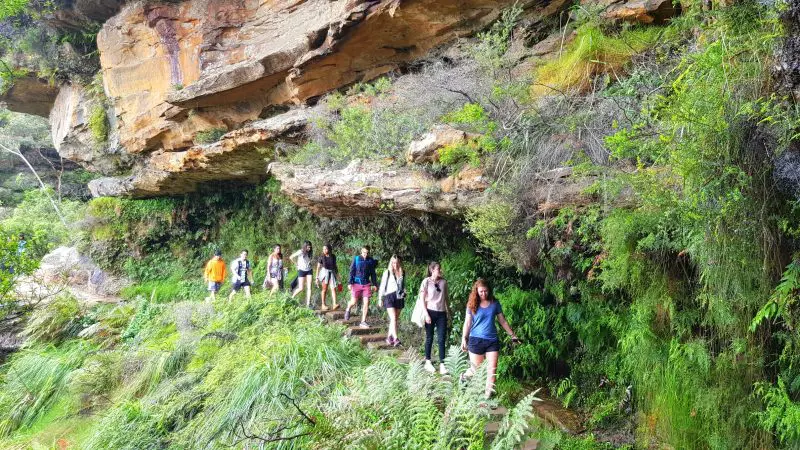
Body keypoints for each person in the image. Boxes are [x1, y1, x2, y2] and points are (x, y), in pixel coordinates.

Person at [460, 278, 520, 399]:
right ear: (476, 291)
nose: (483, 294)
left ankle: (486, 399)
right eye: (481, 291)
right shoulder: (472, 304)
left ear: (489, 290)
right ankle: (464, 377)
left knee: (492, 372)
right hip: (475, 340)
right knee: (477, 372)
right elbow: (467, 323)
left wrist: (513, 335)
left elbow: (502, 321)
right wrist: (464, 338)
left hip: (492, 341)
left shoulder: (495, 303)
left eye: (486, 291)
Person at [420, 261, 449, 374]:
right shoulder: (426, 282)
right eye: (438, 269)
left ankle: (442, 364)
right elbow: (422, 299)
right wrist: (426, 314)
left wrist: (449, 313)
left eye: (440, 269)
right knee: (429, 337)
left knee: (442, 338)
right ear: (432, 270)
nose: (440, 271)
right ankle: (428, 361)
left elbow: (446, 298)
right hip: (430, 312)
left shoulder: (444, 282)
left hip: (442, 313)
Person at [344, 245, 378, 328]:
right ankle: (348, 308)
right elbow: (352, 271)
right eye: (364, 252)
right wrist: (349, 283)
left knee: (366, 303)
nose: (365, 254)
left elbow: (373, 273)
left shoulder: (371, 261)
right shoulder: (356, 259)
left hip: (366, 284)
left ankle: (363, 321)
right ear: (361, 251)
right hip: (356, 283)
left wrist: (375, 284)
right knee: (353, 302)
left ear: (369, 252)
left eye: (367, 253)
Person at [379, 254, 405, 347]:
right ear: (391, 263)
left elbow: (402, 285)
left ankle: (389, 337)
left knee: (395, 319)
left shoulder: (402, 271)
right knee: (393, 317)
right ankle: (396, 338)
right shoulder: (387, 272)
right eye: (393, 263)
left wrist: (404, 290)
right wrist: (380, 298)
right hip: (389, 296)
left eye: (397, 263)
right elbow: (382, 285)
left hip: (399, 296)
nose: (395, 265)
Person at [315, 244, 340, 311]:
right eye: (323, 249)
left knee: (333, 288)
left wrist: (338, 278)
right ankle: (323, 304)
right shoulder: (321, 257)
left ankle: (334, 304)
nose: (324, 250)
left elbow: (335, 266)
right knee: (324, 289)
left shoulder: (333, 256)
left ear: (329, 249)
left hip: (332, 272)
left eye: (326, 249)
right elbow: (318, 267)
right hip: (324, 273)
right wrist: (316, 278)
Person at [290, 241, 314, 307]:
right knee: (301, 288)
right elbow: (291, 257)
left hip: (309, 270)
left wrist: (310, 263)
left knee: (309, 287)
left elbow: (308, 260)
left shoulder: (310, 252)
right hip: (301, 270)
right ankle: (292, 297)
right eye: (308, 247)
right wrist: (296, 264)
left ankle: (308, 304)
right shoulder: (300, 251)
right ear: (305, 246)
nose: (309, 248)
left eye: (310, 247)